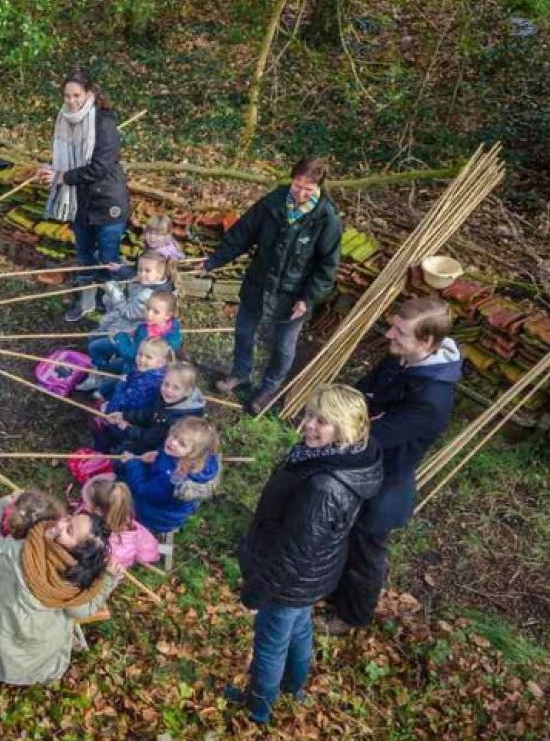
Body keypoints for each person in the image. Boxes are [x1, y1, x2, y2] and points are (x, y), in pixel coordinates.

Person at [226, 385, 382, 724]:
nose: (309, 425)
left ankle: (257, 712)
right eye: (310, 415)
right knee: (298, 629)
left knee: (269, 646)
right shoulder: (347, 454)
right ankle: (294, 690)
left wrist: (255, 592)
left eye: (322, 421)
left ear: (343, 428)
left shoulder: (324, 486)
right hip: (315, 573)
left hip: (289, 581)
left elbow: (293, 553)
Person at [329, 297, 462, 630]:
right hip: (359, 467)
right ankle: (330, 590)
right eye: (392, 326)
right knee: (339, 535)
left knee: (365, 551)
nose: (389, 335)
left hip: (384, 482)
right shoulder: (399, 360)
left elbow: (374, 435)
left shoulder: (432, 398)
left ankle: (352, 616)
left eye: (400, 332)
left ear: (426, 342)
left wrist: (335, 426)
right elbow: (359, 394)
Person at [202, 157, 342, 415]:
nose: (300, 194)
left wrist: (308, 298)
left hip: (294, 294)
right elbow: (242, 234)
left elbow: (327, 266)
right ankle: (240, 373)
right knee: (244, 331)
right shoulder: (272, 204)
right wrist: (213, 262)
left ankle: (268, 388)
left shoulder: (327, 218)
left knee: (283, 345)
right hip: (259, 283)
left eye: (307, 190)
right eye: (297, 185)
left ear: (319, 187)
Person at [0, 494, 122, 685]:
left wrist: (0, 504)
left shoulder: (20, 553)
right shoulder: (80, 576)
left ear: (78, 550)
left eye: (69, 530)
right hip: (36, 660)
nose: (60, 524)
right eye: (68, 519)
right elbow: (83, 610)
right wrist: (109, 579)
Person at [37, 71, 133, 323]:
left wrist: (61, 177)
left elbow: (100, 167)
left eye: (76, 95)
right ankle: (86, 303)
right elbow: (63, 157)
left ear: (89, 94)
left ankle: (116, 308)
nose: (71, 101)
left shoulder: (104, 122)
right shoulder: (65, 120)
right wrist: (50, 169)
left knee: (108, 258)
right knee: (85, 256)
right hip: (80, 202)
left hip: (107, 201)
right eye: (66, 96)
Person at [116, 417, 222, 536]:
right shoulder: (195, 459)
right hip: (162, 500)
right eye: (174, 435)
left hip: (157, 516)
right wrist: (158, 455)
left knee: (117, 491)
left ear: (193, 454)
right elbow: (167, 457)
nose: (173, 442)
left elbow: (143, 491)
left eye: (182, 444)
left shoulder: (172, 478)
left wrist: (133, 463)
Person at [95, 362, 206, 454]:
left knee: (123, 450)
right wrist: (125, 415)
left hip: (160, 447)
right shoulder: (168, 398)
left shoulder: (179, 418)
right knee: (113, 428)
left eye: (176, 388)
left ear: (188, 391)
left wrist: (128, 429)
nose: (168, 390)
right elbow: (150, 413)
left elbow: (153, 438)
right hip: (152, 429)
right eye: (166, 384)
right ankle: (106, 445)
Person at [81, 291, 181, 393]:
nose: (149, 314)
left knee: (119, 387)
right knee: (95, 347)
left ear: (168, 315)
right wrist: (134, 332)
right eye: (148, 308)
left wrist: (119, 336)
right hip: (130, 350)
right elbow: (141, 331)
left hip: (136, 368)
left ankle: (106, 390)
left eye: (156, 312)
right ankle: (101, 374)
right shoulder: (160, 324)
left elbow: (131, 354)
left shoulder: (169, 338)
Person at [77, 476, 160, 569]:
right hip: (144, 541)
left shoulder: (119, 548)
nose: (85, 503)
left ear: (98, 510)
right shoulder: (117, 513)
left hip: (146, 556)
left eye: (87, 501)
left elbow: (121, 563)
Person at [98, 252, 174, 339]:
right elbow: (133, 275)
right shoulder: (162, 282)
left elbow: (128, 313)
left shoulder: (148, 295)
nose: (142, 274)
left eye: (147, 270)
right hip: (132, 324)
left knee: (96, 342)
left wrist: (113, 291)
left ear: (159, 274)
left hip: (130, 332)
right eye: (139, 270)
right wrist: (119, 269)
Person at [100, 336, 172, 409]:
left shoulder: (146, 383)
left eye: (148, 357)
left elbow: (125, 404)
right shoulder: (146, 372)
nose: (142, 360)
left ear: (161, 362)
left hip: (120, 416)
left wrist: (122, 384)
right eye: (140, 354)